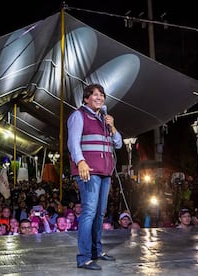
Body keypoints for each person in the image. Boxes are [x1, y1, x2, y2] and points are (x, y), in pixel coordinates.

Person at [67, 83, 122, 270]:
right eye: (95, 95)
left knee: (99, 213)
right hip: (89, 171)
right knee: (89, 213)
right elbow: (73, 143)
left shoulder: (104, 120)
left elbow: (119, 144)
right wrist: (80, 161)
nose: (99, 98)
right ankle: (83, 257)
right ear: (86, 99)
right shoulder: (78, 116)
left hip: (105, 172)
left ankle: (96, 251)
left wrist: (112, 127)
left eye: (101, 95)